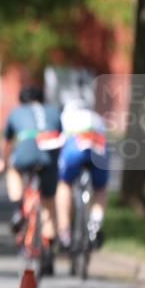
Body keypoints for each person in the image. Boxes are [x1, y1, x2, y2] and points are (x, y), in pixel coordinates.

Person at [0, 85, 64, 274]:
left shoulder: (16, 113)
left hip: (27, 149)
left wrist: (2, 162)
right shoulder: (53, 111)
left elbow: (6, 143)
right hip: (50, 153)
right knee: (49, 202)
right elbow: (62, 135)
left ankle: (19, 210)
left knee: (13, 170)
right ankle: (49, 248)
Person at [56, 97, 109, 250]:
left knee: (64, 183)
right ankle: (95, 222)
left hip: (76, 144)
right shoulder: (97, 118)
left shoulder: (65, 117)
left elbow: (60, 143)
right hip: (99, 145)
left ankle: (64, 231)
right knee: (100, 188)